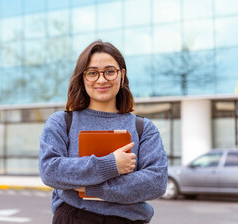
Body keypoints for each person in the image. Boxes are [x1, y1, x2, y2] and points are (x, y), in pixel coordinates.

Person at [39, 40, 168, 224]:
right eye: (92, 73)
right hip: (74, 217)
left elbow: (156, 182)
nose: (101, 80)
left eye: (109, 71)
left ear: (121, 75)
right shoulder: (61, 122)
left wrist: (89, 188)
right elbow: (50, 170)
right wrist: (111, 165)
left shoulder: (144, 128)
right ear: (82, 78)